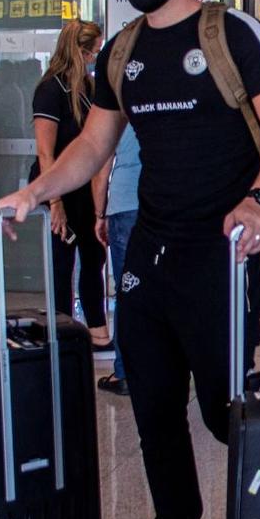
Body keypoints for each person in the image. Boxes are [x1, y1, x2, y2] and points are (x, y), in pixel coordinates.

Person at [0, 0, 260, 519]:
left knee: (226, 413)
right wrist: (37, 190)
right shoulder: (123, 51)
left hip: (219, 253)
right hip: (150, 250)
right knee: (154, 404)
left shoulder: (233, 36)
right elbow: (92, 145)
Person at [30, 20, 110, 350]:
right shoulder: (51, 90)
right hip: (59, 185)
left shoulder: (88, 89)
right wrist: (55, 203)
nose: (96, 57)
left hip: (84, 185)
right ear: (79, 51)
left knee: (93, 256)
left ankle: (97, 330)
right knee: (63, 260)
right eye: (94, 51)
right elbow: (45, 152)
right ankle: (60, 332)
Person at [93, 124, 141, 396]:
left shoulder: (119, 109)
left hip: (124, 204)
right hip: (162, 204)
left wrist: (99, 213)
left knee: (128, 291)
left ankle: (125, 372)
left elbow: (102, 166)